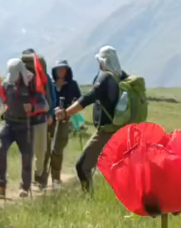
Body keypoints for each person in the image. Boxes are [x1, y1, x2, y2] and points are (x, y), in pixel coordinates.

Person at [56, 46, 128, 192]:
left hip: (107, 131)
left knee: (82, 166)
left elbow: (88, 98)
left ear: (102, 61)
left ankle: (87, 199)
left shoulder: (106, 78)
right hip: (122, 130)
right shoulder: (123, 76)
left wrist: (65, 113)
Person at [0, 58, 46, 198]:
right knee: (0, 150)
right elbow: (2, 98)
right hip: (8, 123)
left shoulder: (32, 82)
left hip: (25, 124)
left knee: (26, 156)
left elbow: (44, 104)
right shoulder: (7, 83)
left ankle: (25, 187)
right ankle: (1, 185)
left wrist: (33, 107)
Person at [41, 59, 82, 187]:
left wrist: (68, 110)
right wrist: (53, 111)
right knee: (45, 148)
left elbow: (79, 100)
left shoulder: (72, 85)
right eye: (59, 69)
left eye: (63, 69)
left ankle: (56, 178)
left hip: (65, 119)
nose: (61, 71)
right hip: (50, 119)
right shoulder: (50, 85)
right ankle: (42, 179)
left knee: (58, 148)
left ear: (67, 71)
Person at [20, 51, 55, 190]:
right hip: (26, 119)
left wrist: (50, 114)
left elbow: (50, 98)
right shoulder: (21, 78)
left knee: (42, 151)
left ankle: (40, 178)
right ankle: (28, 181)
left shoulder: (45, 78)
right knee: (28, 151)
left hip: (42, 118)